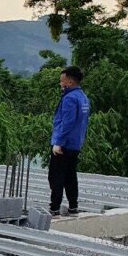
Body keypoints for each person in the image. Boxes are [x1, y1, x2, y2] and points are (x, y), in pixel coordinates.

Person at [48, 66, 90, 216]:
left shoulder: (69, 98)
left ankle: (54, 208)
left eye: (62, 81)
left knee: (56, 177)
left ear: (70, 83)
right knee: (70, 176)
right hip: (75, 143)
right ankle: (73, 207)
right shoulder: (83, 98)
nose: (60, 84)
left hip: (64, 144)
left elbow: (67, 122)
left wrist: (58, 142)